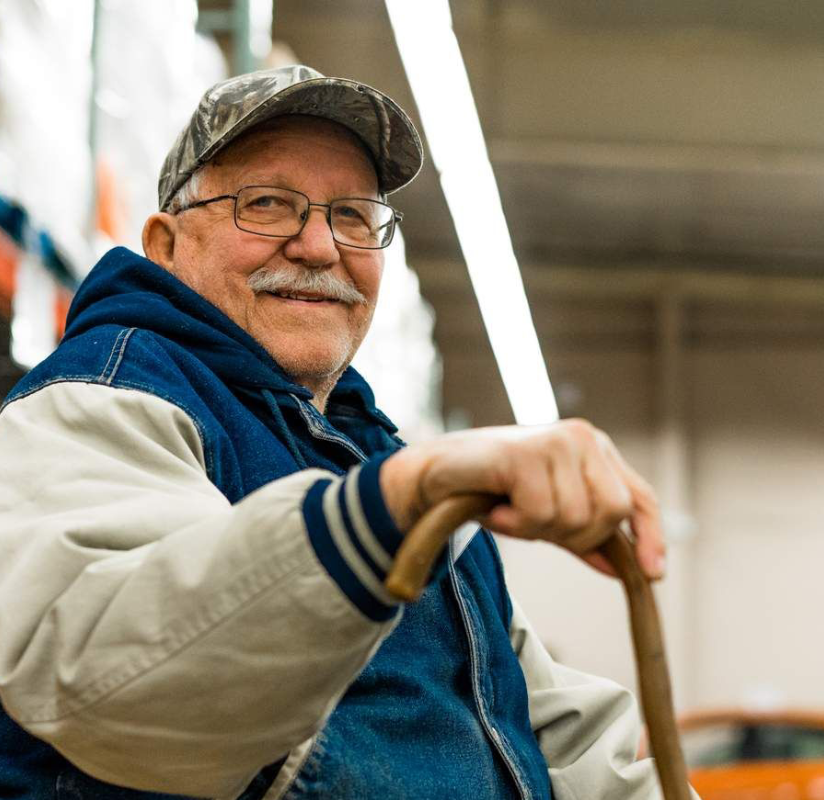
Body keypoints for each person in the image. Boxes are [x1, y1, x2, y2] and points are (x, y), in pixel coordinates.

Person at [0, 65, 675, 800]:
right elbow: (119, 687)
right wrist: (389, 506)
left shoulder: (381, 458)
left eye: (353, 216)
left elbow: (549, 729)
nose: (320, 246)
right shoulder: (99, 403)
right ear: (165, 246)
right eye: (266, 203)